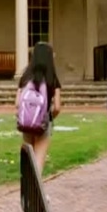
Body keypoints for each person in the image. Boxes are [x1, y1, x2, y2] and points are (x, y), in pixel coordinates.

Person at [15, 42, 62, 173]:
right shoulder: (52, 79)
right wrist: (49, 117)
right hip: (42, 125)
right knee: (38, 165)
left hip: (26, 124)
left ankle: (27, 193)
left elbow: (17, 104)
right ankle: (37, 193)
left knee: (28, 164)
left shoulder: (25, 77)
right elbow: (57, 107)